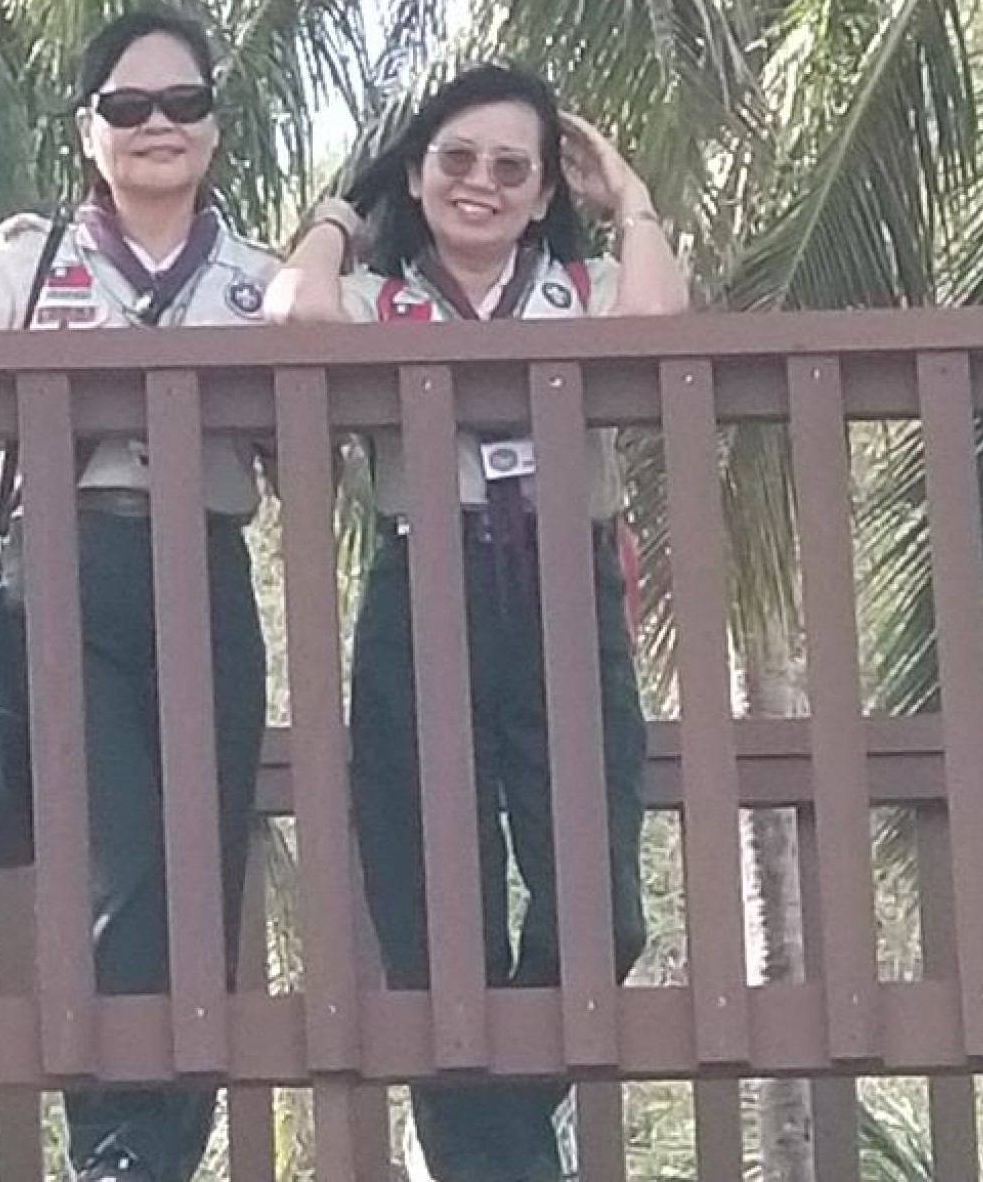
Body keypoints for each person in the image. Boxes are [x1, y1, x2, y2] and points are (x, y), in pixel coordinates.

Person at [0, 8, 275, 1182]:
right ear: (88, 129)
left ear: (214, 126)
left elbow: (317, 449)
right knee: (120, 859)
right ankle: (111, 1144)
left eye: (183, 103)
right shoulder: (24, 262)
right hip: (64, 569)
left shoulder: (256, 280)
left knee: (207, 864)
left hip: (208, 568)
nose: (158, 126)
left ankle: (165, 1147)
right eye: (127, 106)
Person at [265, 65, 689, 1182]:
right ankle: (500, 1159)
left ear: (544, 193)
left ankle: (487, 1142)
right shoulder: (378, 298)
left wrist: (629, 198)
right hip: (424, 584)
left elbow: (658, 324)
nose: (481, 184)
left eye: (512, 168)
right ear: (418, 174)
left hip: (564, 586)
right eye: (455, 159)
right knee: (432, 918)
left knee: (600, 907)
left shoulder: (580, 287)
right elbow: (294, 310)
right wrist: (345, 212)